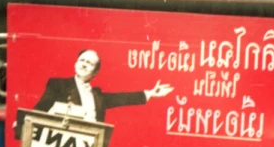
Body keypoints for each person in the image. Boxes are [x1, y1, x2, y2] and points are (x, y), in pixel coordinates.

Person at [32, 49, 173, 124]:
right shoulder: (58, 84)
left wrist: (150, 93)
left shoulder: (97, 96)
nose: (84, 64)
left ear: (96, 72)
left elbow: (122, 98)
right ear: (75, 63)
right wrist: (22, 124)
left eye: (90, 63)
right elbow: (41, 108)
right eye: (82, 60)